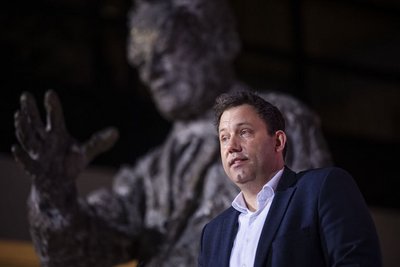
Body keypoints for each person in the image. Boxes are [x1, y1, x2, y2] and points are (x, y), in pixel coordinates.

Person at [13, 0, 331, 266]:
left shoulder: (281, 119)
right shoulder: (150, 173)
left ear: (217, 41)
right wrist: (52, 192)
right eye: (140, 63)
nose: (150, 73)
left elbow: (303, 237)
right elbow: (75, 252)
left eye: (164, 51)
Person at [198, 90, 382, 267]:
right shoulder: (213, 233)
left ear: (278, 141)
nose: (231, 146)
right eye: (224, 137)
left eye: (244, 132)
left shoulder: (322, 189)